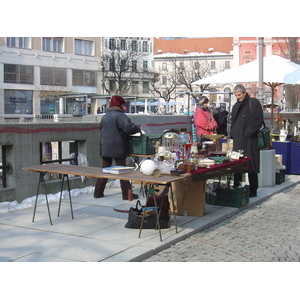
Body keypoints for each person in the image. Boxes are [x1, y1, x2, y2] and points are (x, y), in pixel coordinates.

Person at [94, 95, 142, 200]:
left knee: (105, 170)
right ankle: (126, 194)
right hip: (117, 147)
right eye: (123, 104)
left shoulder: (105, 116)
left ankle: (98, 192)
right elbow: (128, 128)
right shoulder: (120, 116)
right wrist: (138, 129)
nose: (124, 107)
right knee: (122, 171)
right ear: (120, 104)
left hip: (105, 147)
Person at [230, 84, 264, 197]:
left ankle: (253, 189)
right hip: (238, 138)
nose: (238, 97)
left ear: (244, 93)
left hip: (250, 140)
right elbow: (232, 121)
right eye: (236, 95)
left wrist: (250, 132)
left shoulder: (253, 103)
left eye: (239, 95)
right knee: (237, 164)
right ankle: (237, 186)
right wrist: (232, 134)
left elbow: (258, 120)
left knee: (251, 164)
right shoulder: (235, 106)